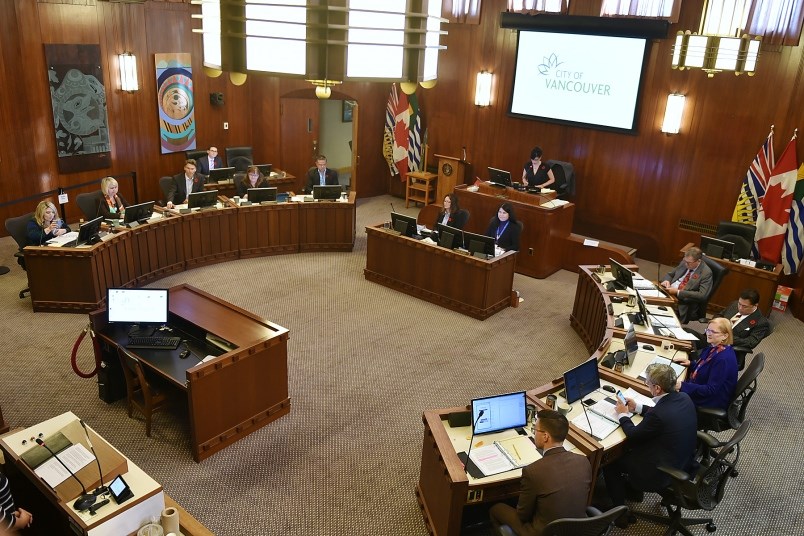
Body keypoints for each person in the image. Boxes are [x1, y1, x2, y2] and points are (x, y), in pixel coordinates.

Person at [602, 363, 697, 527]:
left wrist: (623, 415)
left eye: (648, 383)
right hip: (683, 459)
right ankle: (634, 492)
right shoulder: (683, 397)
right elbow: (660, 415)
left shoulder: (659, 415)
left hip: (662, 470)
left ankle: (620, 514)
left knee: (611, 463)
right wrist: (637, 407)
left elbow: (633, 436)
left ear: (658, 388)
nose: (647, 385)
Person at [489, 410, 592, 536]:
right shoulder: (584, 461)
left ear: (545, 436)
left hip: (543, 533)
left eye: (535, 429)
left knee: (496, 509)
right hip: (578, 529)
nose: (533, 433)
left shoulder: (533, 471)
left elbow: (523, 515)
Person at [674, 317, 738, 410]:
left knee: (666, 395)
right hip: (703, 386)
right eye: (708, 330)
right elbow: (706, 368)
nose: (708, 334)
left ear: (725, 336)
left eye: (714, 332)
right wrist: (691, 364)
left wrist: (682, 386)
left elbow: (710, 390)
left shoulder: (723, 359)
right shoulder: (716, 347)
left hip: (712, 400)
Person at [660, 247, 713, 322]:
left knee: (660, 313)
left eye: (689, 263)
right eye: (685, 261)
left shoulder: (706, 273)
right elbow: (670, 275)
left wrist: (678, 292)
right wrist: (666, 281)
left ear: (698, 261)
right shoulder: (685, 262)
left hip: (681, 301)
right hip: (668, 291)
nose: (686, 264)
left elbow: (702, 295)